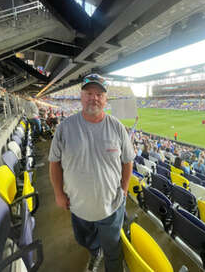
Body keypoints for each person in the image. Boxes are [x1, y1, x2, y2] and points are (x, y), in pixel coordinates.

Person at [49, 73, 134, 272]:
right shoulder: (65, 128)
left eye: (99, 94)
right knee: (85, 240)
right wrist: (59, 194)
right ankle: (95, 252)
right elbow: (54, 163)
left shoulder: (117, 127)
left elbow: (127, 160)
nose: (93, 98)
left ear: (105, 99)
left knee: (113, 248)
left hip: (111, 206)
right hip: (78, 206)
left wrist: (124, 189)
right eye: (89, 93)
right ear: (81, 96)